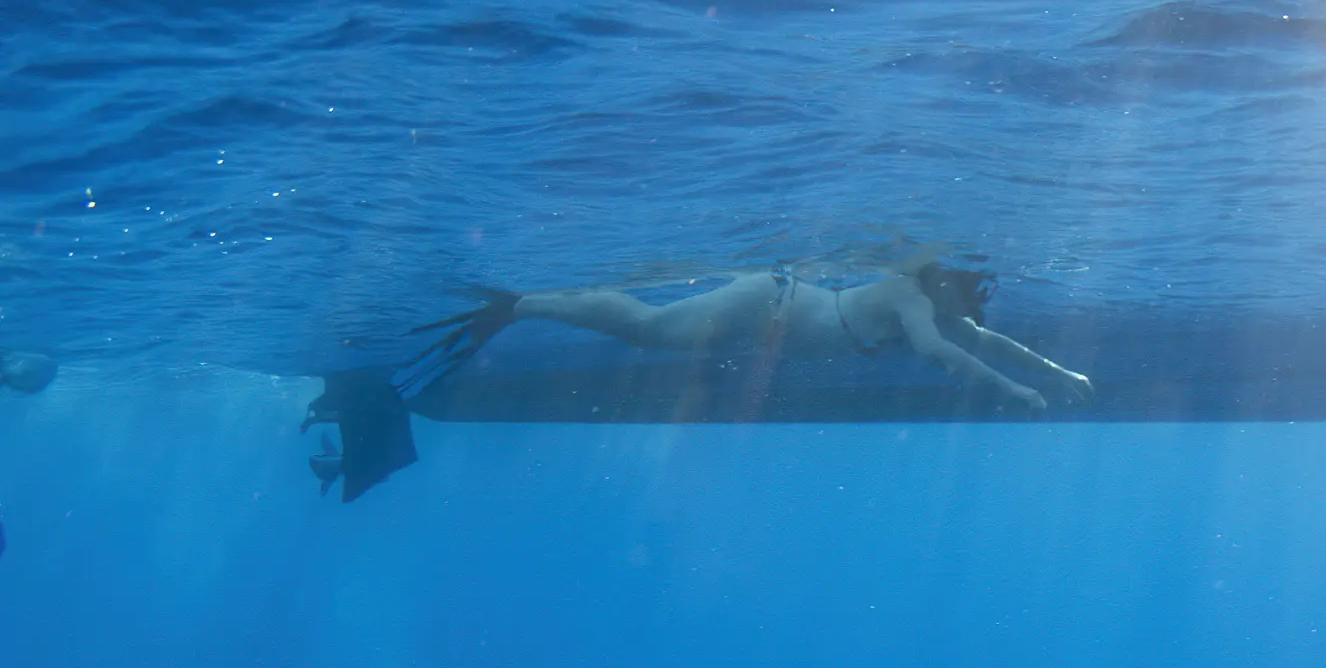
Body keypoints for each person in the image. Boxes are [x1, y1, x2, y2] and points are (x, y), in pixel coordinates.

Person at [411, 261, 1087, 409]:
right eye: (964, 290)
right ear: (942, 279)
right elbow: (945, 353)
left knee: (647, 333)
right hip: (767, 306)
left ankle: (526, 300)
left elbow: (991, 344)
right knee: (646, 331)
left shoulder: (934, 305)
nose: (965, 307)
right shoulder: (913, 296)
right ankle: (522, 302)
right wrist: (1019, 398)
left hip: (777, 313)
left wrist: (1061, 376)